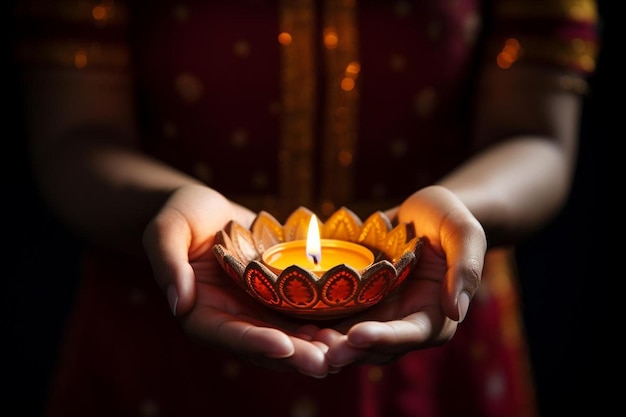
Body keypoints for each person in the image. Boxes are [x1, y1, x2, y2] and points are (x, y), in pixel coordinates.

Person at [13, 0, 599, 416]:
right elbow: (75, 135)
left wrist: (460, 213)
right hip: (176, 298)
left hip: (430, 288)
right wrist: (164, 206)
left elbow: (537, 137)